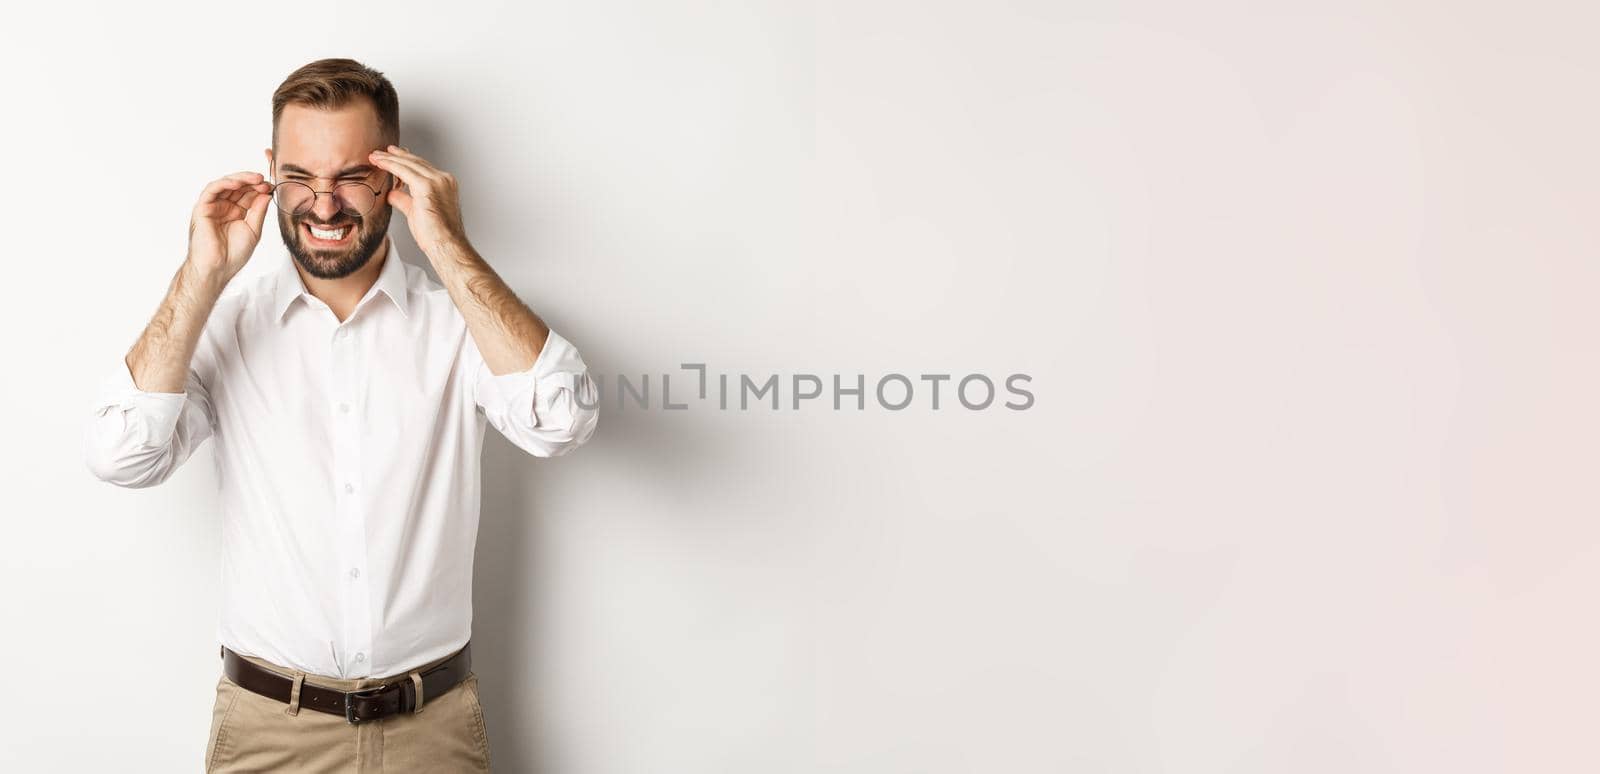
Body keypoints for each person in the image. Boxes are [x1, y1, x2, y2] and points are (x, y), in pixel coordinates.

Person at [81, 58, 599, 773]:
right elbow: (120, 455)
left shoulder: (459, 323)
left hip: (434, 734)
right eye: (300, 177)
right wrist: (199, 275)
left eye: (352, 176)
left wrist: (446, 244)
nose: (323, 206)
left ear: (395, 174)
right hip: (269, 735)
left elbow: (562, 421)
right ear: (271, 171)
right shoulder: (224, 324)